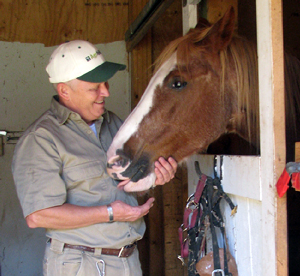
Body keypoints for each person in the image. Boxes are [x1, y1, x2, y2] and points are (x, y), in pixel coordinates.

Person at [12, 40, 177, 276]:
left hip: (127, 259)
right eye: (94, 87)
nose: (106, 92)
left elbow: (124, 188)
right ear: (64, 90)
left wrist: (153, 179)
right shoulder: (42, 138)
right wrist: (111, 213)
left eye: (105, 83)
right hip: (81, 263)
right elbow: (39, 215)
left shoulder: (114, 124)